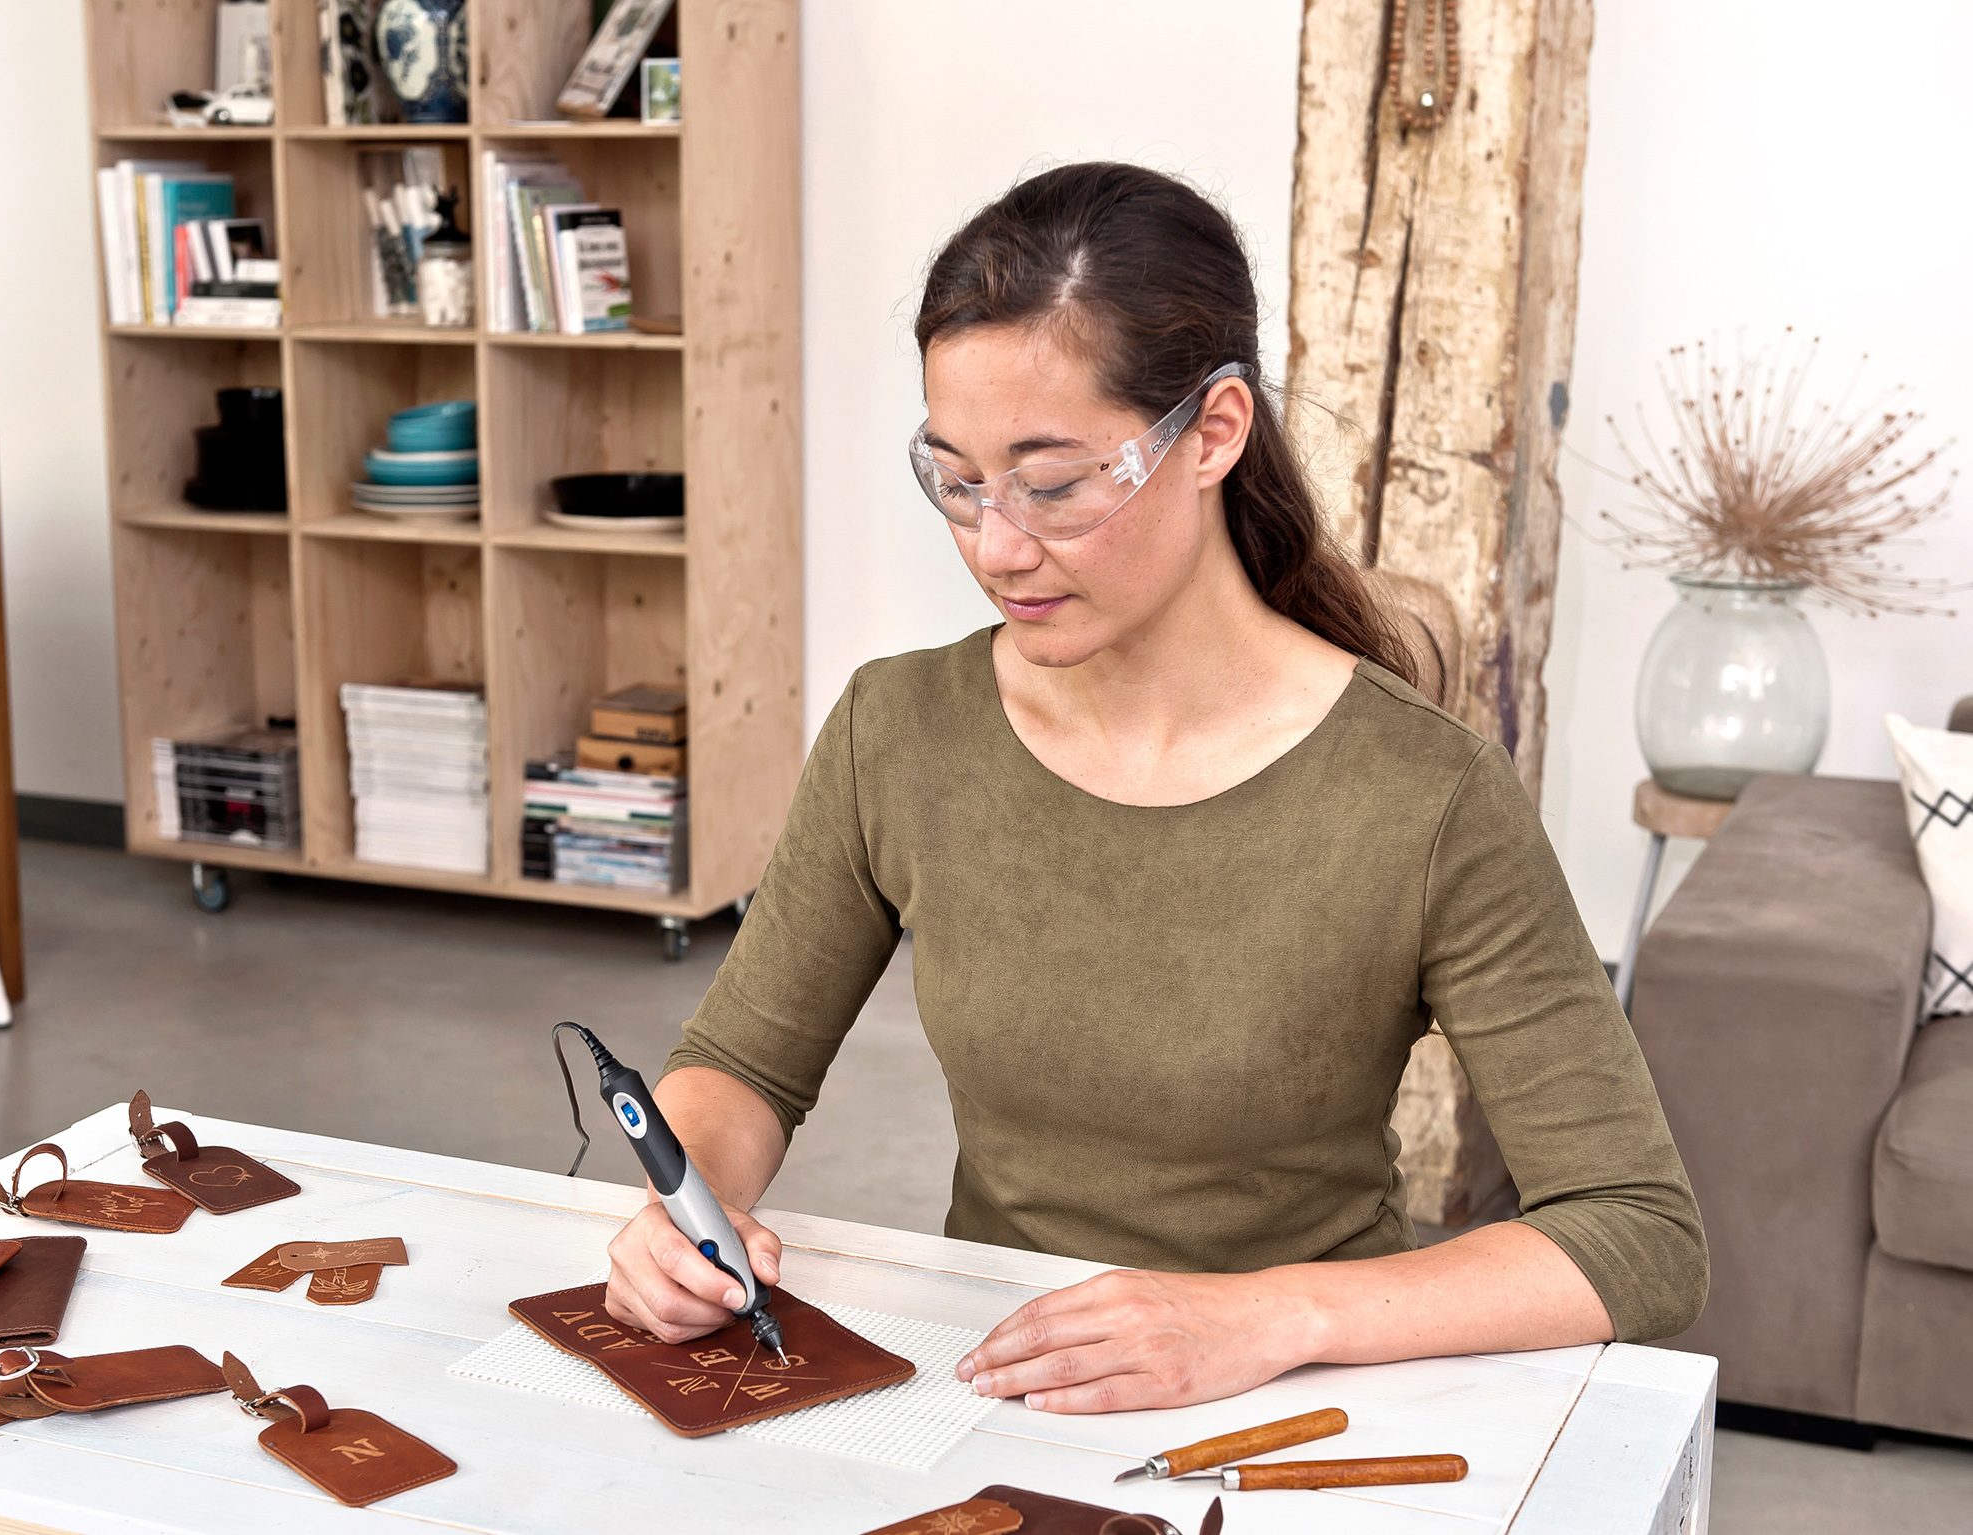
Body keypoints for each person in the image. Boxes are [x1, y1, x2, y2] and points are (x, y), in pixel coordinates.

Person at [605, 162, 1707, 1414]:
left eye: (1054, 482)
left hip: (1303, 1404)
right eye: (955, 480)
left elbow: (1636, 1230)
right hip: (1000, 1384)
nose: (996, 546)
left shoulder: (1421, 795)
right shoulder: (897, 730)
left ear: (1215, 433)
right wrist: (687, 1205)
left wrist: (1262, 1314)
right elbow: (741, 1064)